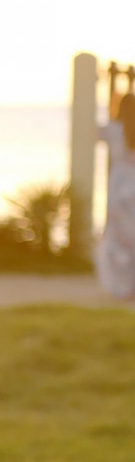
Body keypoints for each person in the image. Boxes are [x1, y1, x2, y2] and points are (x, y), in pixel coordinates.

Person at [99, 73, 135, 305]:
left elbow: (91, 131)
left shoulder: (114, 130)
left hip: (119, 187)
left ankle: (122, 288)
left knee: (117, 241)